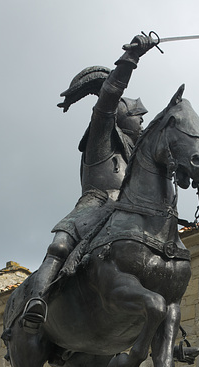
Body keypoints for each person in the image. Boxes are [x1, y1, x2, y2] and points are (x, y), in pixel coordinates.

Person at [21, 34, 155, 334]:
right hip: (95, 202)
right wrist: (131, 59)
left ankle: (166, 332)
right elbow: (108, 98)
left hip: (127, 208)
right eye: (138, 117)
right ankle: (37, 301)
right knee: (60, 244)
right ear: (122, 120)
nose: (143, 122)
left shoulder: (136, 154)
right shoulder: (101, 139)